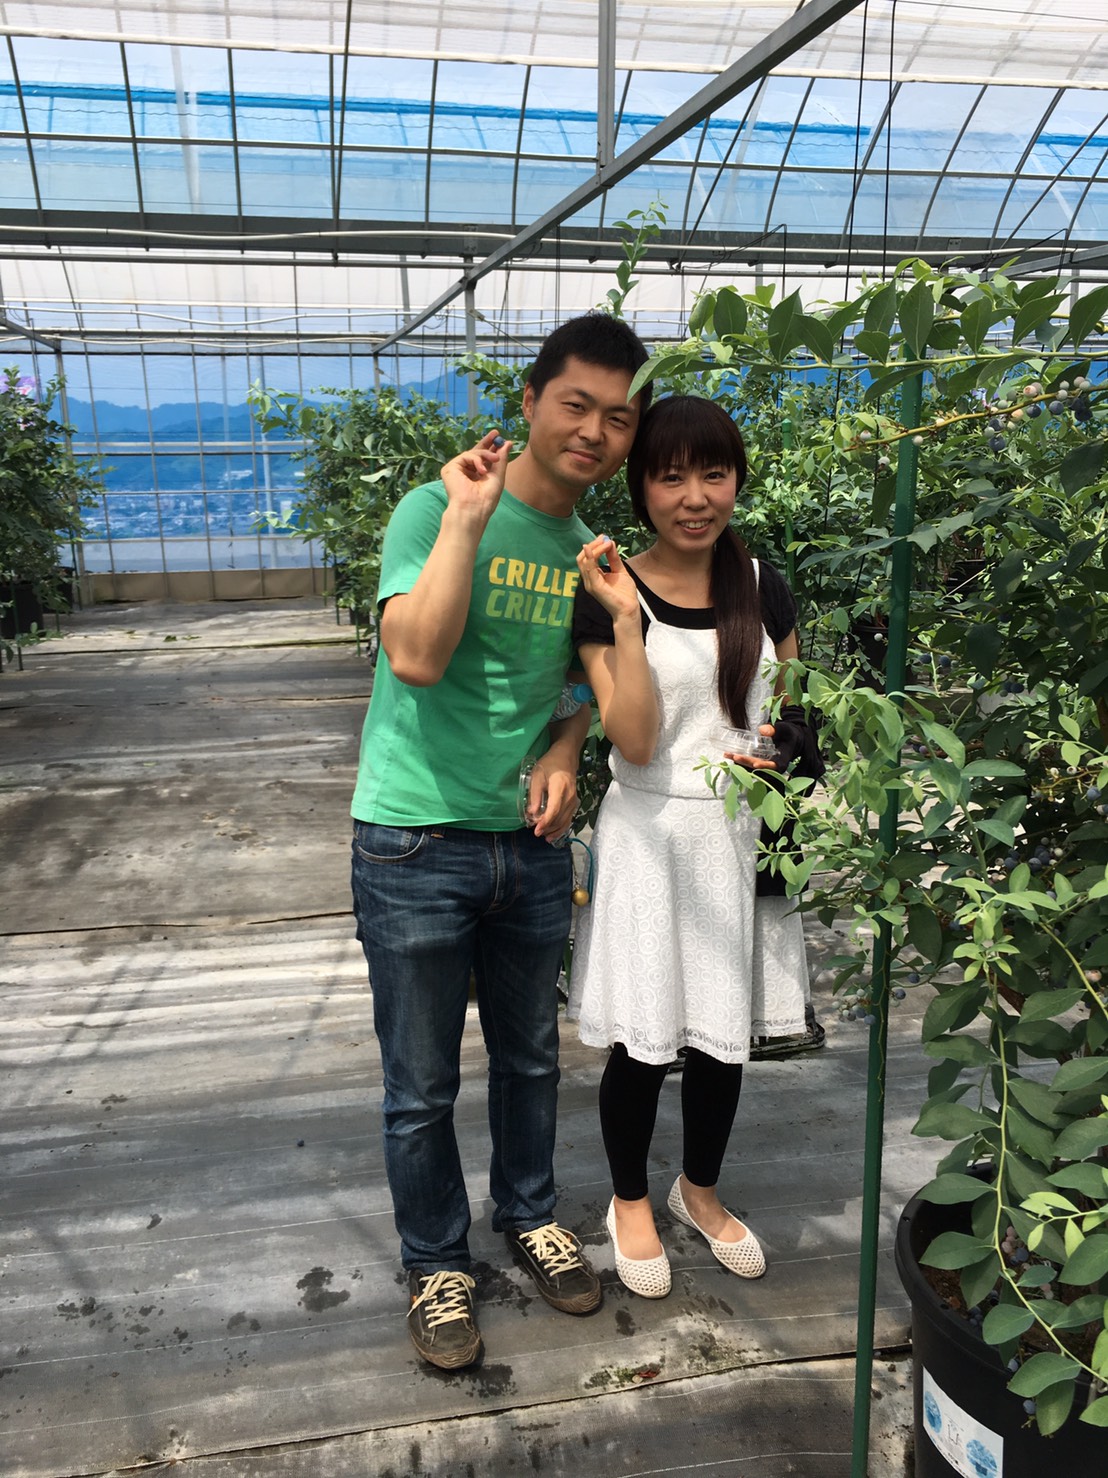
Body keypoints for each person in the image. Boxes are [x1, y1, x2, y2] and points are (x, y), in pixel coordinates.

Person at [350, 313, 651, 1368]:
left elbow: (574, 685)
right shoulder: (435, 507)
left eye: (617, 417)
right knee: (419, 1082)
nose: (594, 431)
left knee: (530, 1057)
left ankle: (528, 1213)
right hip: (413, 837)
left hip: (526, 846)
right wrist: (468, 522)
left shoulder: (588, 555)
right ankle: (437, 1261)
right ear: (529, 402)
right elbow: (416, 656)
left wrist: (566, 746)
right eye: (575, 405)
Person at [566, 394, 823, 1298]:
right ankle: (630, 1199)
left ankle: (699, 1192)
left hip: (739, 835)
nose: (695, 497)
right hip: (651, 836)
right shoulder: (609, 594)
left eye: (714, 473)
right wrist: (624, 621)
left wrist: (790, 746)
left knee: (722, 1035)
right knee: (643, 1040)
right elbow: (634, 741)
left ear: (738, 480)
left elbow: (797, 705)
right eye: (671, 476)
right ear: (641, 488)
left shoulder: (761, 583)